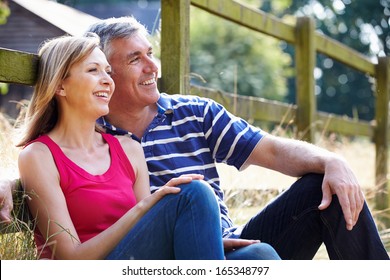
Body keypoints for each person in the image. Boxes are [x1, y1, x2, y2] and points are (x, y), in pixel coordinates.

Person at [1, 16, 388, 259]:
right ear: (105, 75)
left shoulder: (191, 113)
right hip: (160, 254)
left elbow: (271, 149)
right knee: (226, 222)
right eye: (135, 59)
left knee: (323, 189)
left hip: (228, 243)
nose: (153, 67)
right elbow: (67, 168)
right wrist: (12, 183)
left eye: (150, 53)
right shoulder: (96, 131)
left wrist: (332, 161)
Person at [14, 34, 277, 260]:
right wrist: (143, 206)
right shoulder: (39, 156)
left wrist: (205, 241)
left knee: (259, 255)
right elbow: (71, 258)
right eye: (93, 70)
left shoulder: (128, 148)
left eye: (108, 71)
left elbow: (151, 233)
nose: (107, 80)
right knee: (192, 192)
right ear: (60, 85)